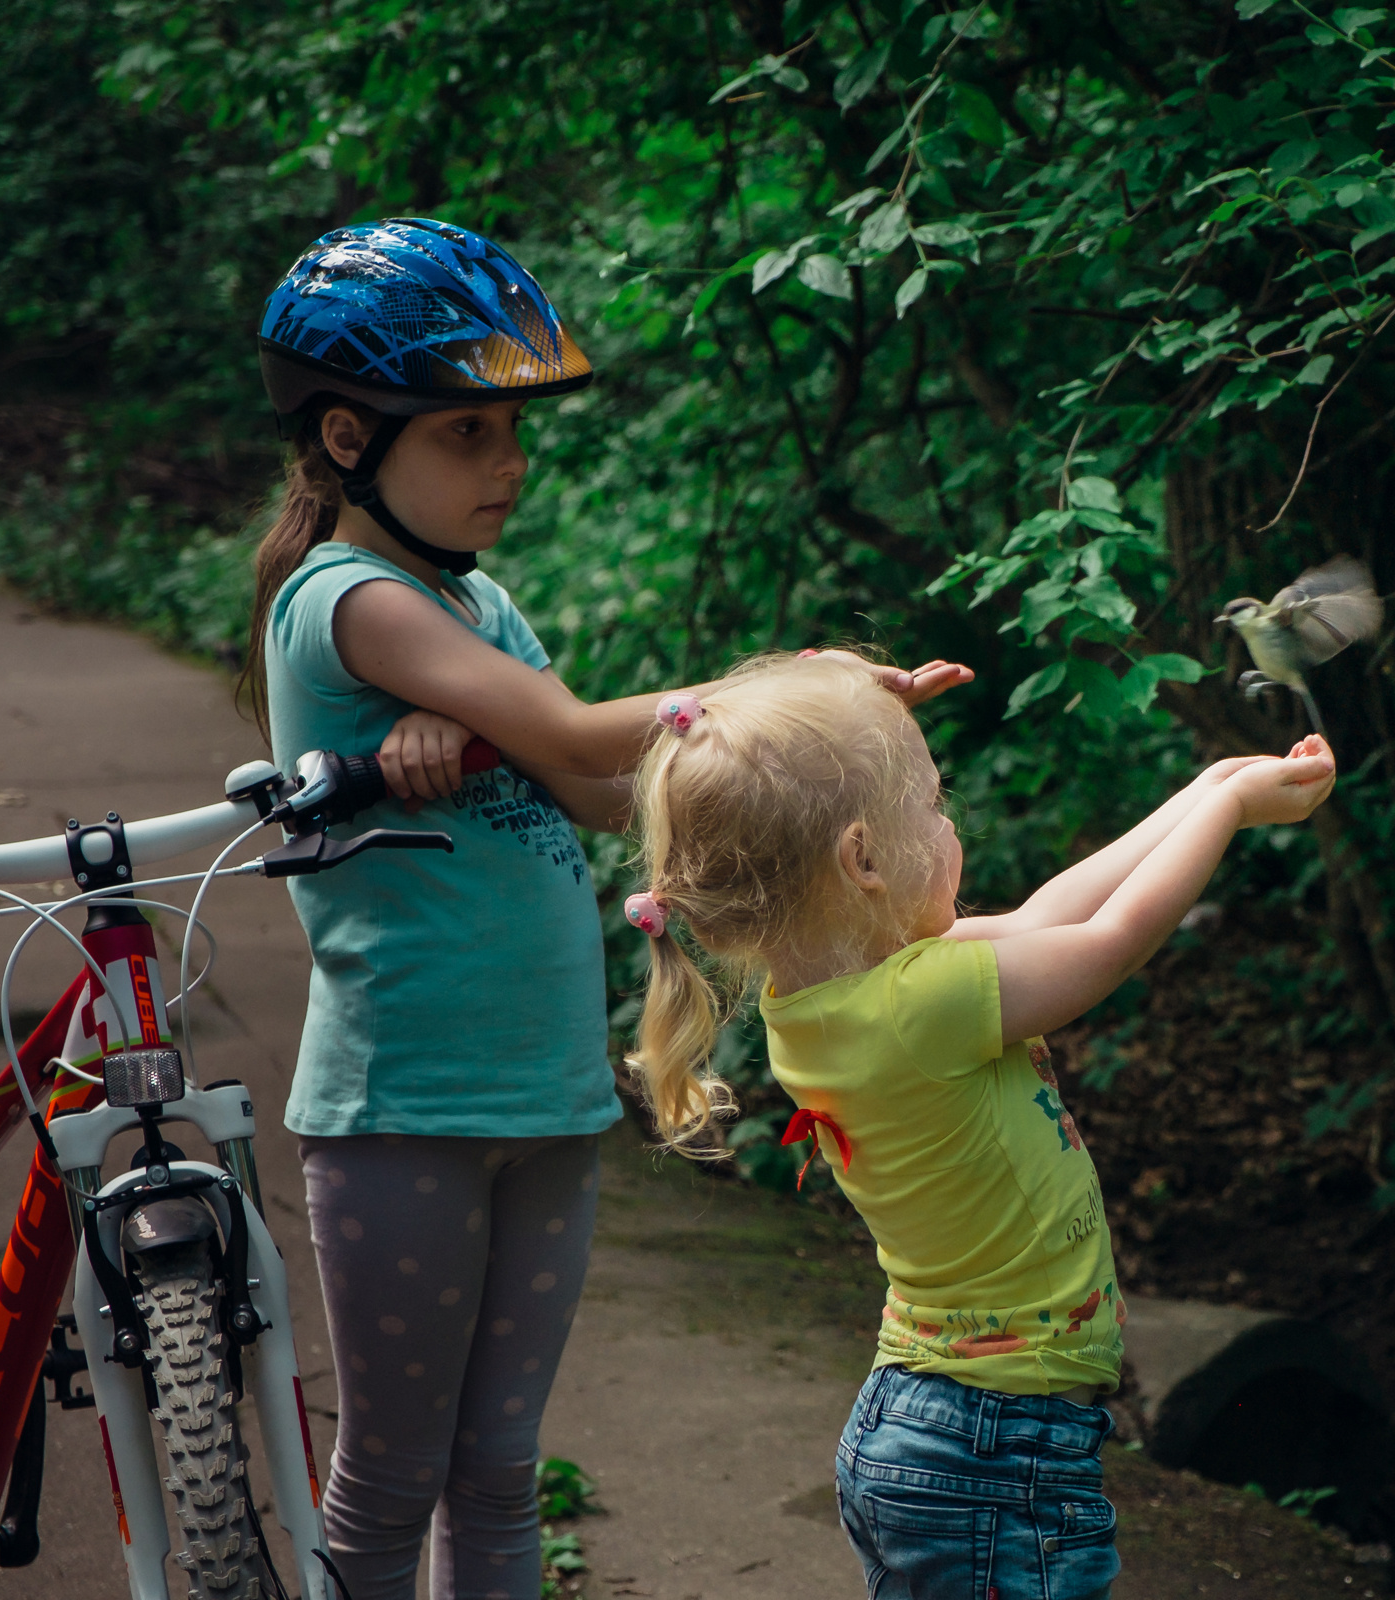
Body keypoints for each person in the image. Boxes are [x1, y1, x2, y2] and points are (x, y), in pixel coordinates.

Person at [244, 217, 965, 1600]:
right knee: (393, 1479)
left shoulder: (473, 603)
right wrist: (790, 686)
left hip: (549, 1093)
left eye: (511, 432)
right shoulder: (351, 595)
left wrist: (505, 741)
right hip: (409, 1101)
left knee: (503, 1474)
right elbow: (580, 729)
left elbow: (584, 784)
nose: (508, 464)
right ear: (348, 439)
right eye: (467, 432)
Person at [622, 652, 1335, 1600]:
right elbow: (1105, 943)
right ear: (864, 860)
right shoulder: (921, 1001)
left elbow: (1048, 914)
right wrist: (1229, 814)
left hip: (936, 1427)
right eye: (930, 805)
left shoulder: (827, 998)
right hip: (994, 1448)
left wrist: (1204, 789)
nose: (948, 823)